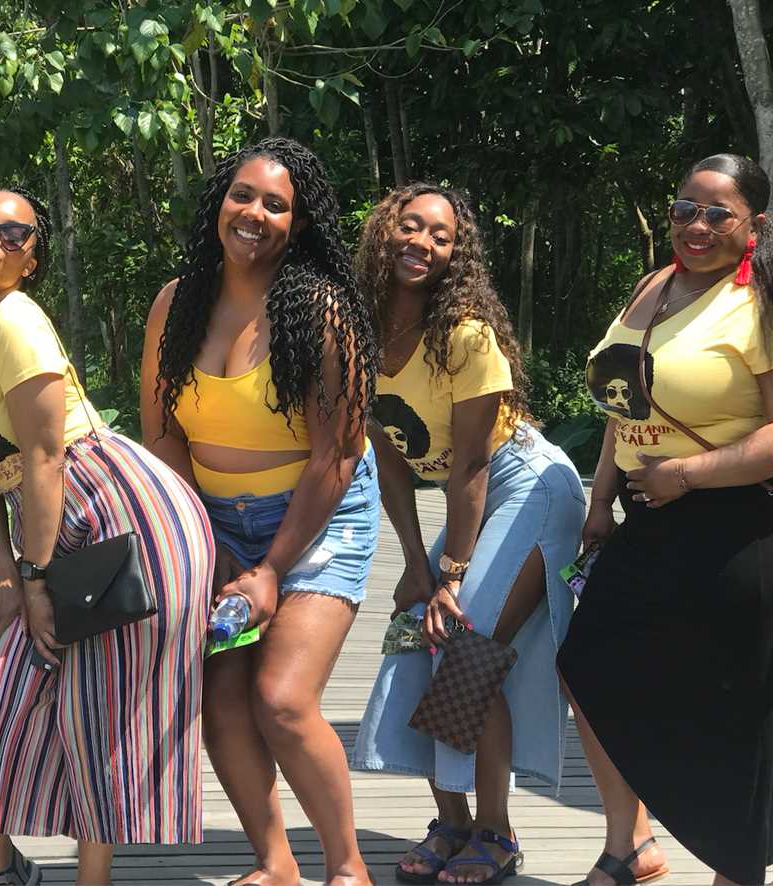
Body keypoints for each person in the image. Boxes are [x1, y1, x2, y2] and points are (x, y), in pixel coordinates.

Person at [0, 187, 214, 886]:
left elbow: (45, 455)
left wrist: (33, 581)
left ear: (31, 262)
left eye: (15, 233)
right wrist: (10, 577)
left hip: (116, 513)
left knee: (102, 708)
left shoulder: (17, 318)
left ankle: (94, 879)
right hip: (45, 522)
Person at [141, 136, 380, 886]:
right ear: (221, 203)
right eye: (244, 196)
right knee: (223, 702)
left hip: (317, 517)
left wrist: (272, 567)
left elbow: (336, 455)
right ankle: (274, 864)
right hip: (212, 520)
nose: (255, 214)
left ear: (298, 224)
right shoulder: (176, 304)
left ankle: (346, 868)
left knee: (281, 698)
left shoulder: (320, 311)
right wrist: (209, 544)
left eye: (277, 205)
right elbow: (161, 433)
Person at [349, 183, 584, 885]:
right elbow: (389, 463)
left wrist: (449, 572)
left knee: (468, 646)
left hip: (526, 487)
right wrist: (416, 568)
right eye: (410, 226)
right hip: (465, 502)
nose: (422, 242)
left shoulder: (466, 333)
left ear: (457, 254)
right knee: (418, 632)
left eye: (440, 235)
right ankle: (451, 822)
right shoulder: (358, 331)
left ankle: (497, 832)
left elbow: (475, 463)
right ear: (384, 232)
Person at [558, 153, 773, 886]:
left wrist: (686, 474)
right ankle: (629, 842)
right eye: (686, 209)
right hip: (645, 516)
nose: (697, 226)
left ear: (756, 225)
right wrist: (598, 501)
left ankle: (736, 870)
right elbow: (626, 402)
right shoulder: (655, 285)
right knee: (585, 663)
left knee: (733, 707)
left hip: (734, 521)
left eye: (719, 213)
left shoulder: (759, 307)